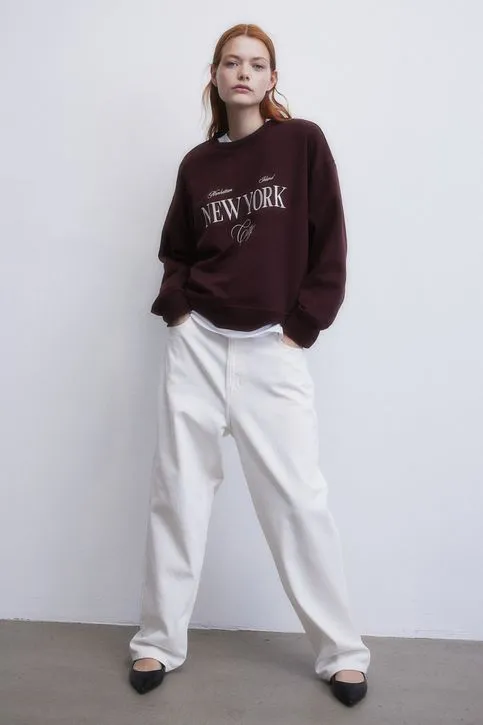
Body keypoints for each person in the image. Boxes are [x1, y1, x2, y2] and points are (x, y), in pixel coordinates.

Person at [128, 23, 370, 708]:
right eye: (231, 62)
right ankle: (158, 639)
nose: (243, 72)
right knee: (178, 492)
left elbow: (330, 240)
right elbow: (176, 249)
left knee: (299, 500)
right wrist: (178, 310)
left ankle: (342, 652)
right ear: (215, 76)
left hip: (272, 348)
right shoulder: (197, 166)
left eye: (257, 64)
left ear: (271, 79)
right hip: (198, 345)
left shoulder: (301, 143)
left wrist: (302, 325)